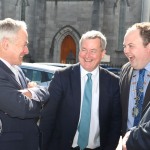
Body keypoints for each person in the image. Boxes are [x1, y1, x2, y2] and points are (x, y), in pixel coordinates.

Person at [39, 30, 121, 150]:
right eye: (84, 50)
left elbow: (115, 122)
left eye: (93, 51)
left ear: (102, 53)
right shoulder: (62, 77)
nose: (87, 56)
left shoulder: (113, 82)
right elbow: (48, 118)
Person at [0, 18, 49, 150]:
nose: (26, 51)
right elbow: (22, 108)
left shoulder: (17, 69)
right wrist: (37, 99)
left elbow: (44, 90)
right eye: (24, 45)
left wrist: (31, 92)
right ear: (5, 44)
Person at [120, 22, 150, 149]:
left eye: (131, 46)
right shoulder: (125, 69)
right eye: (124, 46)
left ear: (148, 46)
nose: (125, 51)